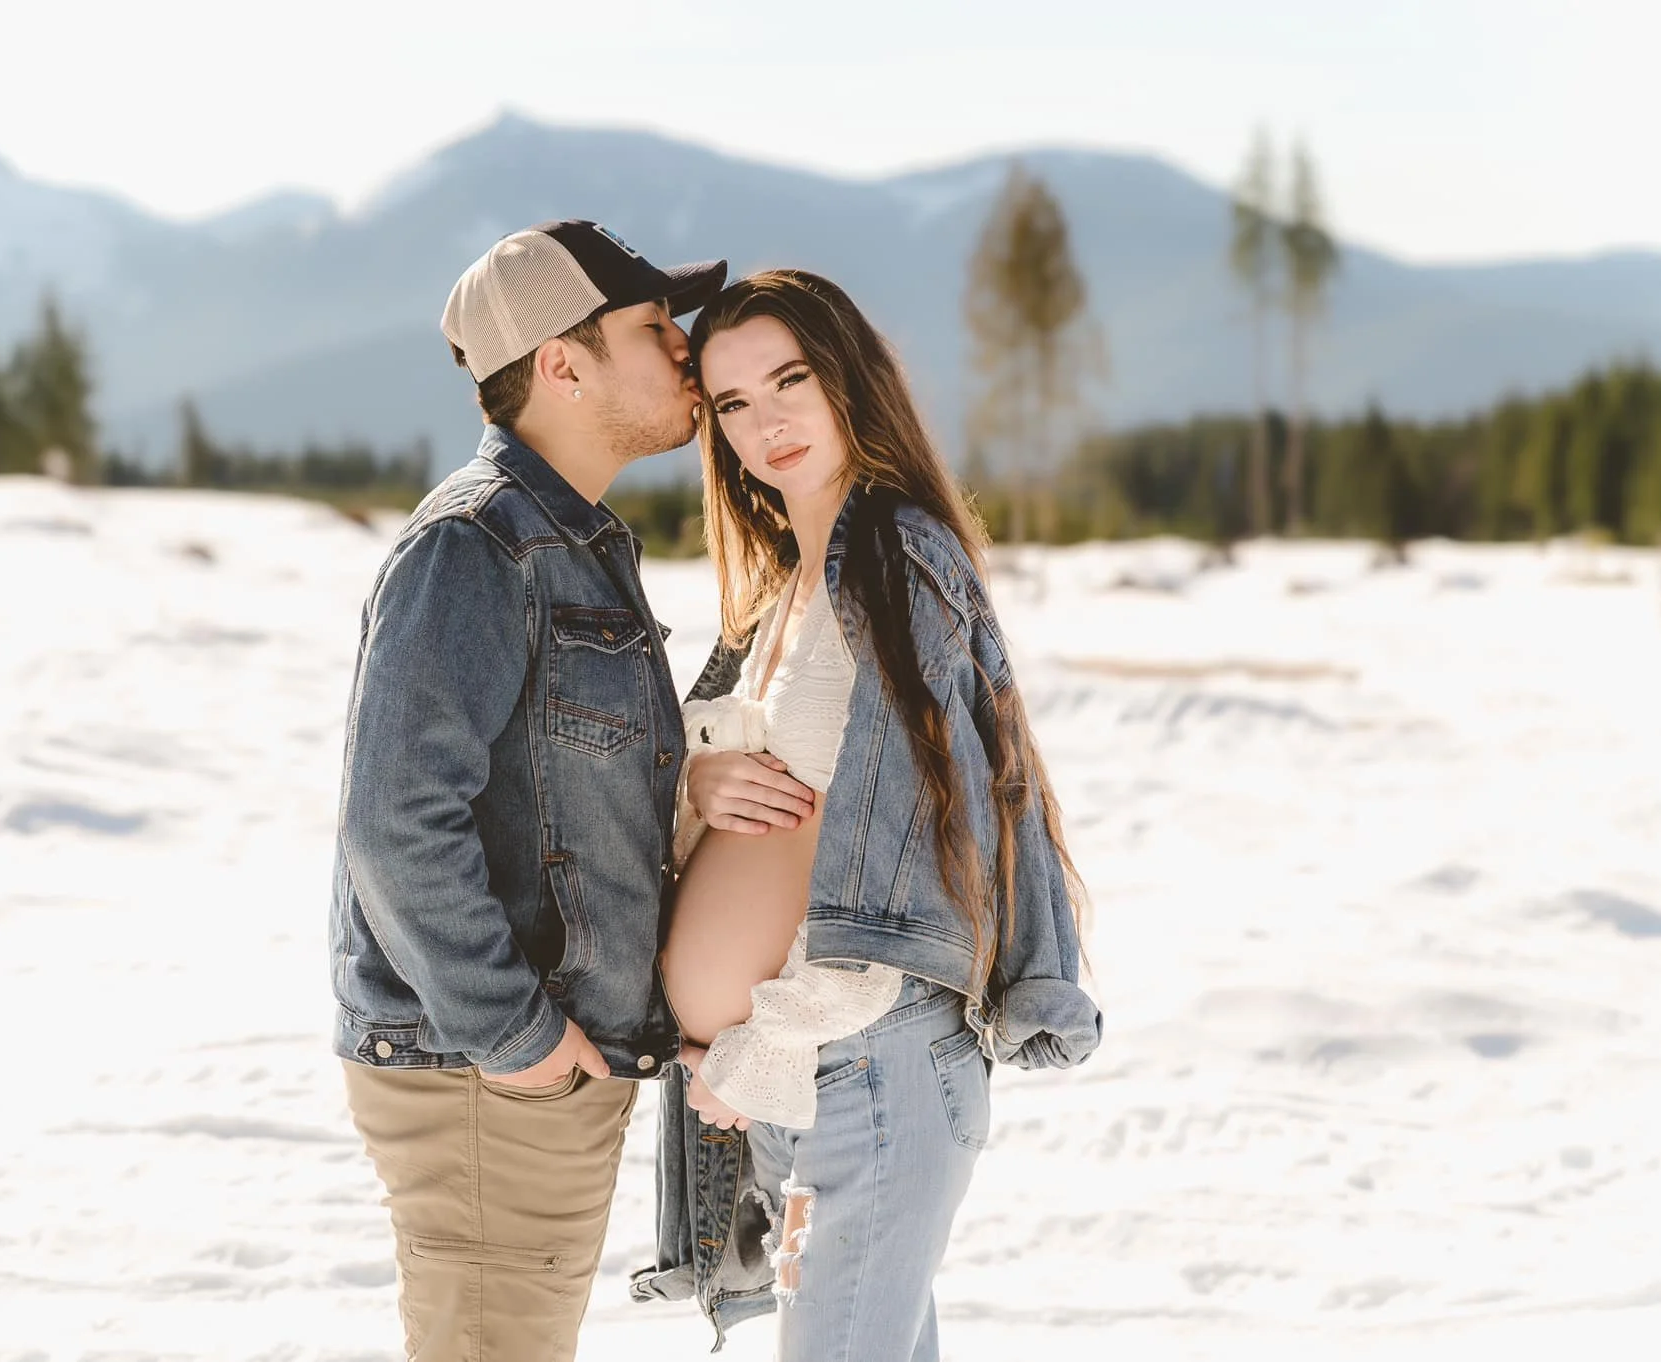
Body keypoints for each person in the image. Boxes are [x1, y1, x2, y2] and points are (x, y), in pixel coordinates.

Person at [634, 269, 1102, 1359]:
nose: (766, 422)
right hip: (815, 1073)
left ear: (848, 381)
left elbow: (906, 862)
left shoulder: (894, 558)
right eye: (734, 403)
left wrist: (749, 1058)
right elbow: (754, 791)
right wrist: (702, 774)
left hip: (864, 1058)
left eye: (789, 380)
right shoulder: (789, 584)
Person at [329, 220, 725, 1362]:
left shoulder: (570, 541)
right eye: (652, 329)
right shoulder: (477, 546)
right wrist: (517, 1038)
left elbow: (561, 798)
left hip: (522, 1070)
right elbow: (394, 822)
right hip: (483, 1074)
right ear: (562, 363)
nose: (684, 349)